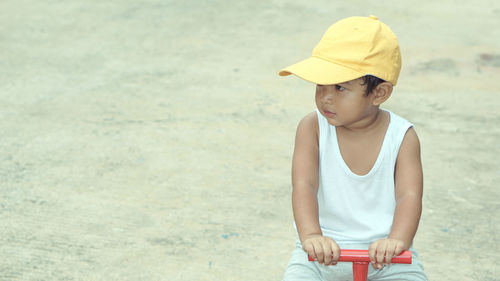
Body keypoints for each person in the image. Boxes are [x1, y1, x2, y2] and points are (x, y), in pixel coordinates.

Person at [278, 16, 428, 280]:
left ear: (379, 93)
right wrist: (311, 236)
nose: (325, 97)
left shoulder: (402, 136)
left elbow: (409, 195)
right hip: (322, 253)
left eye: (339, 87)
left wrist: (396, 240)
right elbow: (304, 185)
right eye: (320, 85)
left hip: (386, 257)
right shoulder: (312, 127)